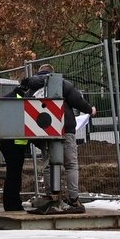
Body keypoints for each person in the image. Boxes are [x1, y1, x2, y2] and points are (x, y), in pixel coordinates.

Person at [13, 64, 94, 214]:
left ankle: (51, 197)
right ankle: (74, 200)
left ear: (39, 73)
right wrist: (90, 110)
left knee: (48, 165)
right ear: (52, 73)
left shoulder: (31, 89)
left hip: (45, 132)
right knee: (71, 165)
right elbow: (78, 101)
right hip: (65, 129)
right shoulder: (63, 84)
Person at [0, 136, 30, 212]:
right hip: (15, 144)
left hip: (11, 143)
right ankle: (12, 205)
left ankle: (13, 203)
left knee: (14, 175)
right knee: (14, 176)